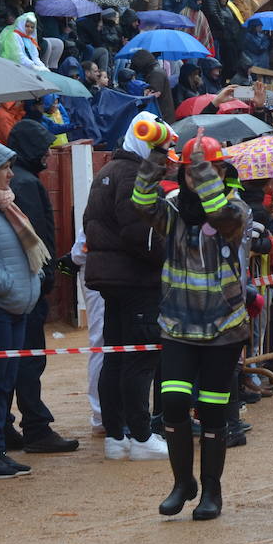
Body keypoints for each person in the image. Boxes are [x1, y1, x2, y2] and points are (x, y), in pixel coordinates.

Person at [134, 130, 251, 519]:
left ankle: (211, 492)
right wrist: (156, 155)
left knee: (213, 412)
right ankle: (183, 482)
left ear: (219, 171)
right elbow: (140, 200)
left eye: (204, 171)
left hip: (223, 329)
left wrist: (200, 166)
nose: (194, 179)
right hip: (179, 325)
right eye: (188, 173)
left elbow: (217, 213)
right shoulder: (172, 210)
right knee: (173, 402)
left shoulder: (236, 209)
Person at [85, 112, 168, 461]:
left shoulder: (106, 171)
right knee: (138, 359)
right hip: (135, 278)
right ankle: (140, 435)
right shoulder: (132, 173)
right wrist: (169, 256)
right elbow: (138, 231)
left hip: (112, 277)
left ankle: (117, 436)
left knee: (116, 357)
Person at [1, 121, 76, 457]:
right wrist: (46, 278)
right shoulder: (29, 184)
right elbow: (36, 242)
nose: (49, 152)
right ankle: (36, 428)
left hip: (17, 287)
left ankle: (3, 426)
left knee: (9, 360)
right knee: (29, 360)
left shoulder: (21, 180)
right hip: (28, 288)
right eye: (43, 146)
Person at [0, 139, 47, 479]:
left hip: (14, 306)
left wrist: (34, 277)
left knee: (4, 381)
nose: (10, 174)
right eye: (4, 168)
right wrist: (6, 284)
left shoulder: (5, 206)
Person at [130, 49, 176, 121]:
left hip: (161, 117)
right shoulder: (156, 71)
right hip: (162, 115)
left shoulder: (155, 74)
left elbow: (151, 96)